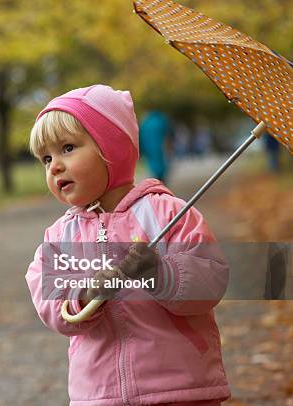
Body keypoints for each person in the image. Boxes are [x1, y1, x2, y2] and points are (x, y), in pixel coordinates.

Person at [25, 85, 230, 405]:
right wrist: (86, 294)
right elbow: (49, 298)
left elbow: (211, 278)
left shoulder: (168, 214)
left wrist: (160, 272)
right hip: (101, 393)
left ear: (113, 147)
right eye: (46, 158)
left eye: (67, 148)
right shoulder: (61, 237)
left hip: (179, 387)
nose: (54, 166)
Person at [139, 110, 174, 183]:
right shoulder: (162, 120)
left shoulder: (145, 122)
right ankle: (161, 181)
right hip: (162, 147)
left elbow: (141, 138)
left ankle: (157, 181)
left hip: (148, 148)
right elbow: (170, 134)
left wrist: (142, 150)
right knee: (162, 164)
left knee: (153, 166)